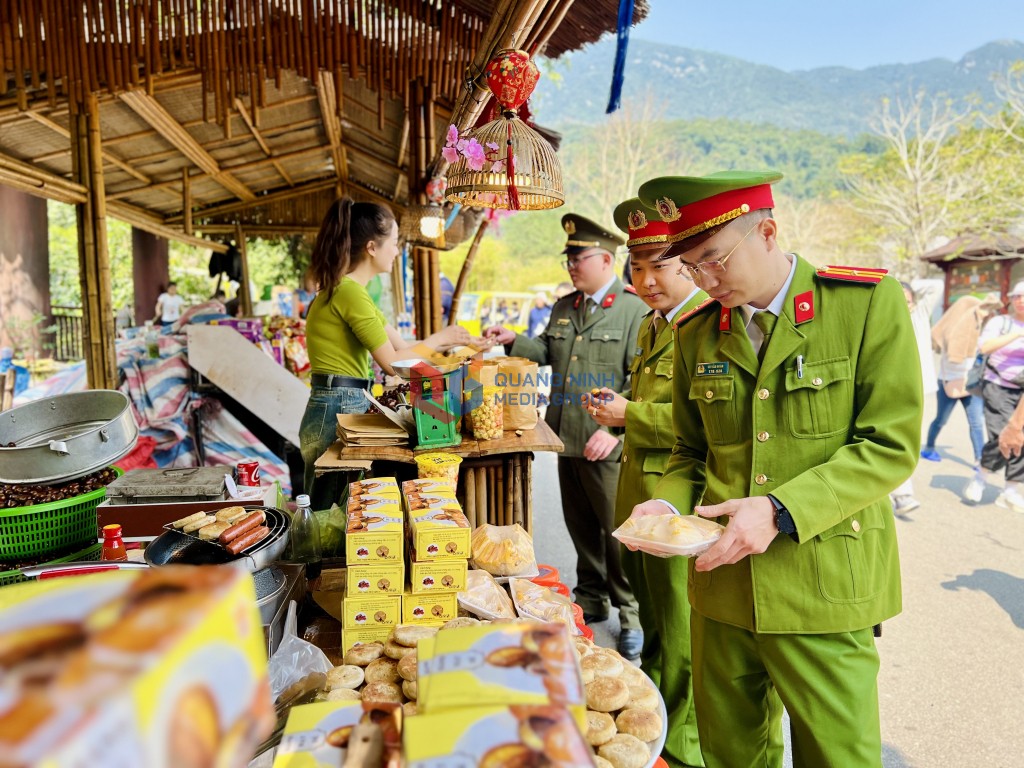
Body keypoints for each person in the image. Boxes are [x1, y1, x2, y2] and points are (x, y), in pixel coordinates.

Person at [628, 171, 921, 768]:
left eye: (714, 260)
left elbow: (888, 445)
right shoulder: (699, 332)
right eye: (692, 266)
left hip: (821, 584)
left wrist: (780, 508)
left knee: (838, 756)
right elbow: (689, 452)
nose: (705, 279)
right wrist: (665, 504)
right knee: (731, 752)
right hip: (721, 587)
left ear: (767, 232)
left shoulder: (862, 305)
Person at [483, 213, 648, 660]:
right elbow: (547, 352)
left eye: (580, 257)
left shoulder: (636, 310)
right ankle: (591, 600)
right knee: (581, 528)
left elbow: (644, 382)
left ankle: (631, 616)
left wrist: (617, 430)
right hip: (567, 437)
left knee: (619, 534)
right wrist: (513, 338)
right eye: (569, 259)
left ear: (606, 259)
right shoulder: (564, 308)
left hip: (606, 442)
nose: (572, 265)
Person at [584, 197, 708, 767]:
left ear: (688, 262)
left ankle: (679, 743)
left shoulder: (706, 325)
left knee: (680, 632)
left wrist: (627, 415)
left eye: (660, 263)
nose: (647, 279)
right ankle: (652, 717)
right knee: (655, 621)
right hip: (641, 496)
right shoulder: (656, 325)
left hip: (678, 506)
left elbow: (700, 423)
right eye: (637, 266)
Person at [301, 197, 470, 510]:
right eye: (393, 242)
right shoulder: (349, 292)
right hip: (336, 406)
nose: (397, 250)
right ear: (371, 247)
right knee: (332, 514)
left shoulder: (351, 292)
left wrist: (452, 342)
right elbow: (393, 364)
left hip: (340, 402)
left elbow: (402, 348)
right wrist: (439, 337)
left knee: (340, 511)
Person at [923, 292, 1002, 502]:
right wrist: (950, 382)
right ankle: (929, 446)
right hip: (949, 382)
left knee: (976, 422)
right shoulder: (954, 332)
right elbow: (950, 361)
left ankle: (979, 459)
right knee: (941, 420)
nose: (985, 314)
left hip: (971, 384)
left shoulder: (983, 331)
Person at [888, 279, 941, 514]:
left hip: (921, 389)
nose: (904, 304)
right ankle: (901, 493)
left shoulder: (919, 316)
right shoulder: (884, 319)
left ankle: (895, 490)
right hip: (891, 390)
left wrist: (897, 282)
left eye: (907, 300)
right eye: (898, 299)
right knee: (893, 439)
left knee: (910, 440)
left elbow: (937, 285)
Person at [974, 281, 1024, 512]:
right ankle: (981, 475)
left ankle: (1010, 490)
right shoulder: (1000, 322)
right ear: (1011, 300)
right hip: (997, 385)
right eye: (1017, 296)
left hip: (1021, 390)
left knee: (1020, 436)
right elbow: (984, 348)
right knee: (1000, 434)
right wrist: (1018, 333)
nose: (1021, 300)